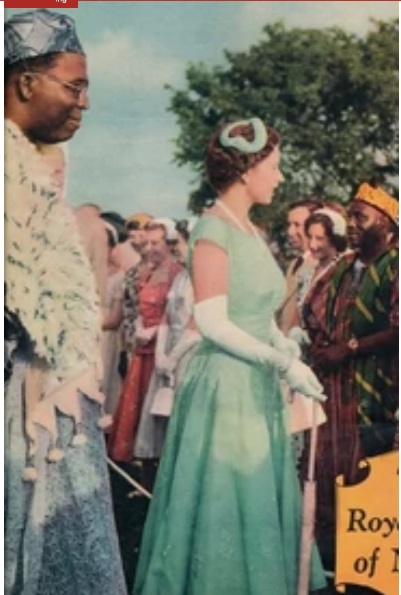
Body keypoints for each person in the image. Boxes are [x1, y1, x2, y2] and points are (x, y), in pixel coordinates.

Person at [134, 117, 326, 594]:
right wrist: (283, 363)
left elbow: (254, 312)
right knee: (228, 490)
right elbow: (213, 320)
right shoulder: (213, 228)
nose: (280, 177)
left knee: (256, 488)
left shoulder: (250, 229)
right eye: (274, 167)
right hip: (225, 383)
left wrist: (284, 344)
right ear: (246, 170)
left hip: (255, 379)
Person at [4, 10, 127, 595]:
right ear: (26, 83)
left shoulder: (37, 170)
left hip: (49, 403)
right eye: (74, 87)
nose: (84, 103)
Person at [307, 183, 398, 570]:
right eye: (350, 217)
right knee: (331, 466)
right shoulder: (343, 266)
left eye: (361, 217)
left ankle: (369, 566)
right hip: (335, 384)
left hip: (376, 387)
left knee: (370, 469)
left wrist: (350, 347)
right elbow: (313, 310)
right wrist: (320, 344)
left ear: (387, 224)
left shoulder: (395, 265)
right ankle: (332, 559)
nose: (353, 225)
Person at [108, 222, 183, 463]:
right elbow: (137, 306)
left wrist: (156, 331)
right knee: (138, 408)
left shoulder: (177, 272)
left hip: (163, 347)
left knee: (160, 407)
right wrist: (140, 326)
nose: (149, 248)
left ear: (169, 243)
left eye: (155, 243)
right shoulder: (147, 271)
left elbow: (179, 313)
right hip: (142, 347)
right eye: (147, 243)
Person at [134, 219, 200, 477]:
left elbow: (197, 323)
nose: (175, 249)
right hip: (170, 349)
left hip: (190, 352)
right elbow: (167, 316)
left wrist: (173, 358)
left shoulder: (203, 279)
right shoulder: (182, 276)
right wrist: (161, 354)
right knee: (163, 417)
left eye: (179, 243)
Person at [277, 198, 323, 335]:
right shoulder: (294, 264)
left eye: (297, 225)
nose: (290, 232)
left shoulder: (322, 266)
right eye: (289, 224)